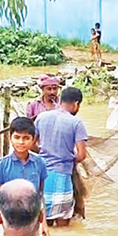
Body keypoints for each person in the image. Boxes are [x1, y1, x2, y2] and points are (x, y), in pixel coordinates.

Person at [0, 117, 50, 236]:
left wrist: (43, 222)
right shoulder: (1, 166)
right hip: (10, 222)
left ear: (34, 139)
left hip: (33, 221)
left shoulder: (40, 163)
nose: (21, 142)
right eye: (17, 137)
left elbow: (40, 196)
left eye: (26, 138)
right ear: (9, 138)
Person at [35, 87, 88, 226]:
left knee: (44, 224)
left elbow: (32, 144)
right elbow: (82, 155)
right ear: (76, 104)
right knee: (63, 224)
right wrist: (67, 158)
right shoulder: (76, 123)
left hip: (42, 177)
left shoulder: (41, 117)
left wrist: (45, 153)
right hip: (62, 177)